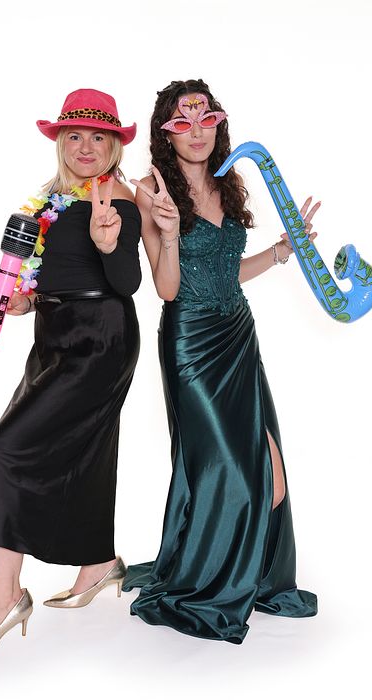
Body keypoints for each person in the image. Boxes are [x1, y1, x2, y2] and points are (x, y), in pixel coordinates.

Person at [0, 88, 141, 651]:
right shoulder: (51, 200)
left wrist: (108, 241)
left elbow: (127, 283)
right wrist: (22, 302)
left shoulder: (116, 199)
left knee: (8, 450)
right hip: (53, 335)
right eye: (74, 135)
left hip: (99, 338)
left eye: (98, 137)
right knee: (85, 452)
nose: (85, 146)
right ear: (60, 142)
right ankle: (99, 562)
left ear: (114, 147)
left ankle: (4, 597)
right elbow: (51, 276)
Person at [123, 79, 319, 644]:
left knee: (270, 474)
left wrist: (281, 252)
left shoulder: (228, 182)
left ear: (218, 125)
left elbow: (228, 272)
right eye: (182, 123)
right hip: (191, 343)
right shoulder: (150, 191)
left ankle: (251, 575)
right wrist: (168, 233)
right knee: (228, 468)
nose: (196, 132)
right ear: (166, 133)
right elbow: (166, 289)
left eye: (205, 120)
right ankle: (208, 581)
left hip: (238, 337)